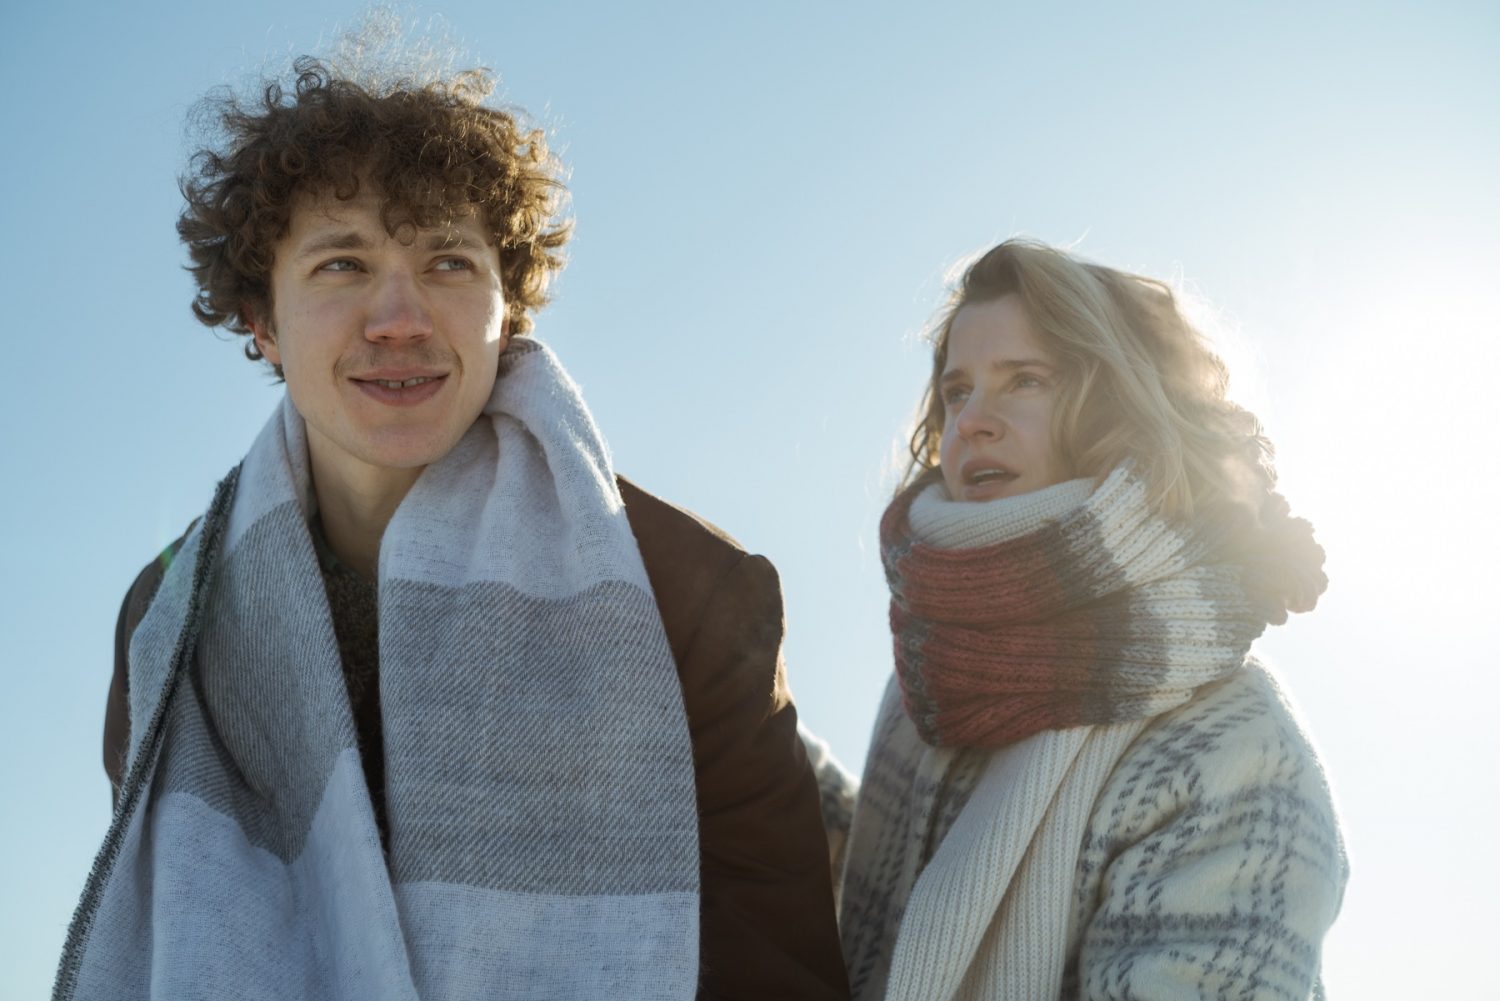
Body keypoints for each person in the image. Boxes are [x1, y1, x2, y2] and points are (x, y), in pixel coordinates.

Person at [56, 51, 848, 1001]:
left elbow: (778, 969)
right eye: (343, 264)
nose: (399, 318)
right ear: (263, 321)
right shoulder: (169, 619)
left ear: (507, 312)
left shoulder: (687, 590)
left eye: (448, 262)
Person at [829, 240, 1346, 1000]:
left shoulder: (1235, 748)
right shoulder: (931, 681)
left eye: (1025, 380)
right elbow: (890, 902)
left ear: (1117, 406)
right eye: (957, 391)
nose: (972, 422)